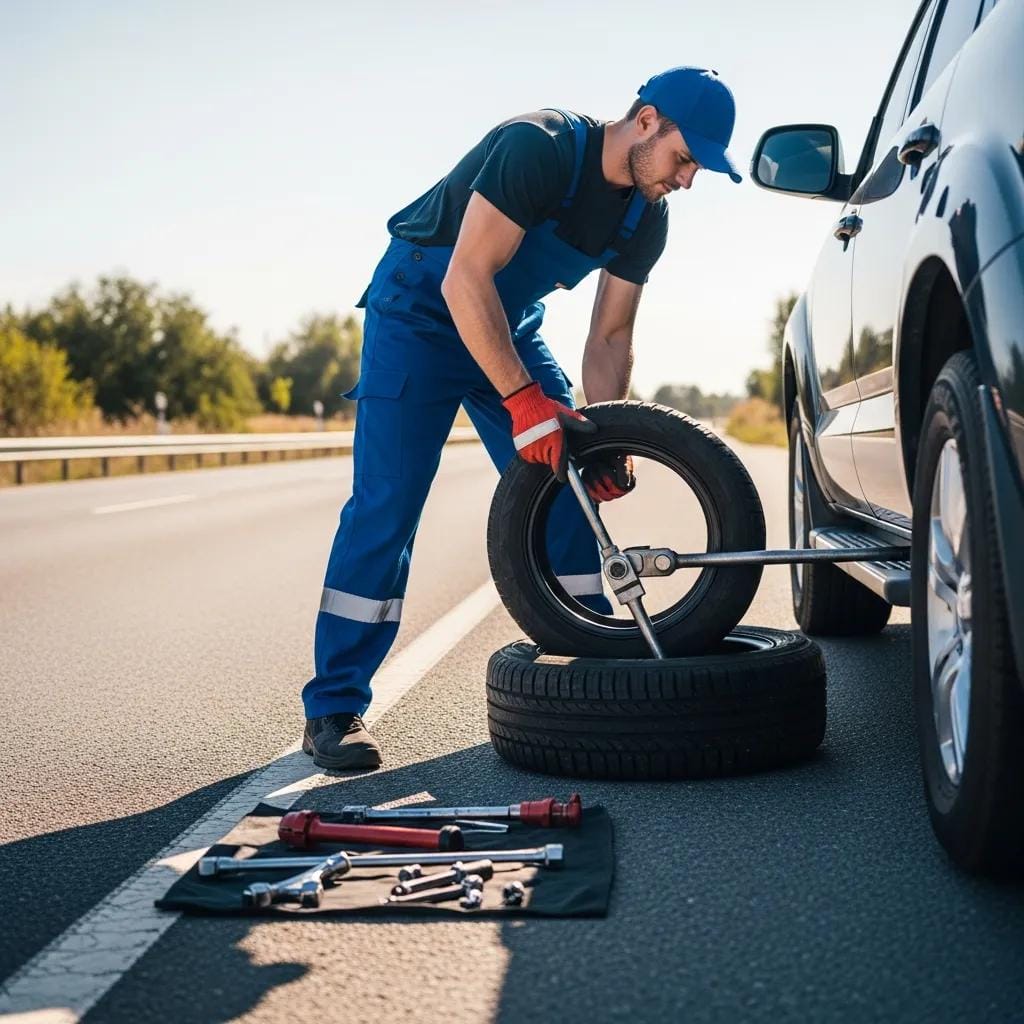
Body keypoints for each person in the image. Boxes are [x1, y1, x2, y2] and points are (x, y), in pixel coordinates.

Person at [302, 66, 741, 769]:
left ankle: (583, 671)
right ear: (648, 120)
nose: (687, 180)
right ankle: (333, 708)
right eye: (686, 159)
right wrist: (522, 402)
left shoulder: (645, 217)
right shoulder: (536, 146)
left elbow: (609, 338)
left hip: (507, 325)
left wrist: (611, 434)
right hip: (420, 309)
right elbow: (464, 277)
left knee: (567, 487)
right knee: (389, 504)